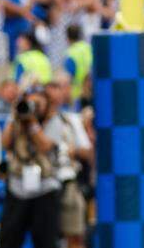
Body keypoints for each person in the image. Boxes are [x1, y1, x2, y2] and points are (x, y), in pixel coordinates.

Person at [0, 83, 60, 248]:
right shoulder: (17, 120)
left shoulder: (55, 121)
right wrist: (15, 116)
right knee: (8, 240)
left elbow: (45, 146)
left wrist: (32, 122)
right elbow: (5, 143)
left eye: (38, 104)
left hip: (45, 188)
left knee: (46, 242)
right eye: (31, 103)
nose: (34, 107)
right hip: (17, 186)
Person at [45, 71, 93, 248]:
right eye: (56, 87)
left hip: (68, 182)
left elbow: (87, 151)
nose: (60, 92)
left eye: (64, 87)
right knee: (46, 236)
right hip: (44, 183)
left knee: (75, 235)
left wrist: (74, 151)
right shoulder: (38, 119)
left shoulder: (71, 119)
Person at [62, 25, 92, 105]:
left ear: (67, 38)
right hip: (91, 93)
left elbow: (67, 78)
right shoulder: (89, 48)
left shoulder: (71, 53)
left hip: (76, 96)